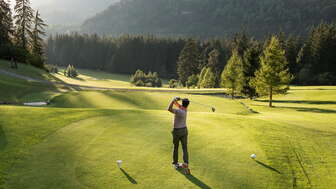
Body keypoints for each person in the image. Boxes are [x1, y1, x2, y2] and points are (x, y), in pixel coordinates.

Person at [167, 97, 190, 170]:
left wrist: (172, 100)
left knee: (176, 147)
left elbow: (169, 109)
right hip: (184, 130)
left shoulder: (179, 111)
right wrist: (175, 100)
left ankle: (175, 163)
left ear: (182, 103)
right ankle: (186, 163)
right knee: (184, 147)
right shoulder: (185, 110)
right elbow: (178, 105)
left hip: (177, 131)